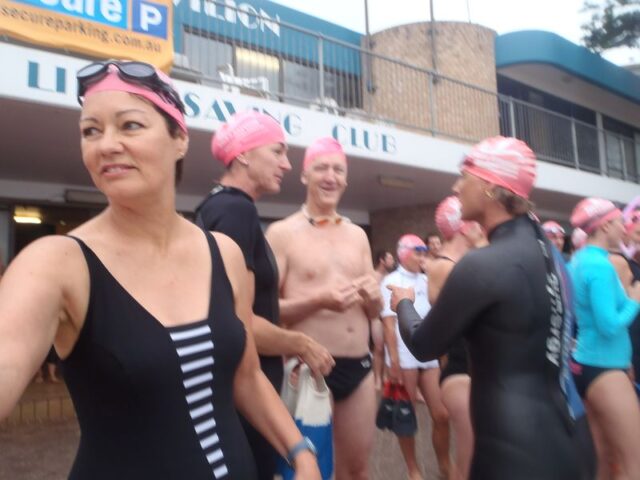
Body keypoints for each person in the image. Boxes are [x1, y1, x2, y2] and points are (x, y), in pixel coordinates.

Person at [0, 61, 320, 480]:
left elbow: (246, 376)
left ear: (180, 139)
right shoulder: (57, 264)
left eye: (130, 125)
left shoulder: (222, 253)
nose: (106, 145)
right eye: (91, 131)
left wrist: (301, 453)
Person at [388, 136, 582, 479]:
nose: (456, 186)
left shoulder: (484, 264)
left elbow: (423, 344)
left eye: (465, 176)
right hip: (565, 435)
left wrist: (403, 302)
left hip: (509, 449)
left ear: (491, 187)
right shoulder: (551, 255)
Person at [196, 111, 334, 480]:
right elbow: (240, 324)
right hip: (245, 395)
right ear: (243, 154)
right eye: (277, 151)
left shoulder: (214, 205)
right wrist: (301, 343)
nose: (287, 164)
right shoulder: (236, 210)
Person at [266, 137, 382, 480]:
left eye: (338, 170)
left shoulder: (357, 235)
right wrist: (320, 299)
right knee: (310, 471)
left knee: (357, 470)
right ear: (305, 175)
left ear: (346, 180)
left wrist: (374, 298)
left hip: (358, 367)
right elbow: (265, 311)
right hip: (309, 368)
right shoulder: (282, 233)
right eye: (321, 168)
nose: (331, 177)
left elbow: (373, 312)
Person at [569, 197, 640, 479]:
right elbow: (609, 325)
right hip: (604, 367)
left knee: (603, 459)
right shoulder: (599, 265)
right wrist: (635, 300)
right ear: (606, 225)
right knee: (634, 463)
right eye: (620, 222)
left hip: (589, 365)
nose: (625, 227)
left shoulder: (579, 259)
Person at [380, 234, 451, 480]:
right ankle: (413, 470)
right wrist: (394, 362)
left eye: (424, 252)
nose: (422, 257)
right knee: (406, 417)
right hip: (404, 357)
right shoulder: (391, 280)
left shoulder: (427, 279)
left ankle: (445, 464)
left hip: (428, 355)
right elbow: (388, 325)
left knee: (442, 414)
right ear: (404, 254)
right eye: (417, 252)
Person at [426, 196, 486, 480]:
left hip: (476, 365)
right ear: (465, 226)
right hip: (461, 368)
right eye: (478, 222)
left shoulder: (463, 262)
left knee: (479, 454)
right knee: (470, 456)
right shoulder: (445, 266)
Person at [372, 250, 395, 390]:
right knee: (379, 348)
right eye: (390, 258)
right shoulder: (373, 276)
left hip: (389, 316)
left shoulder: (391, 277)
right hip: (376, 317)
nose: (393, 261)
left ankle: (387, 378)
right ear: (382, 260)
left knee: (389, 347)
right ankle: (377, 379)